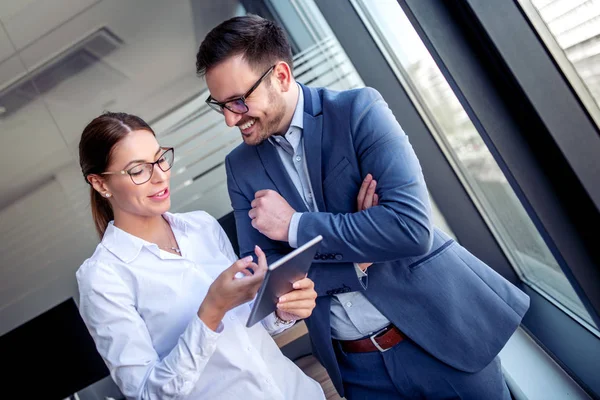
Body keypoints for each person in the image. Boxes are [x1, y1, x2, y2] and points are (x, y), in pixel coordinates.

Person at [195, 15, 531, 400]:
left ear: (282, 76)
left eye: (238, 101)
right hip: (357, 370)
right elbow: (265, 280)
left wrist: (295, 227)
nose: (228, 119)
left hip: (441, 339)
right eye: (219, 105)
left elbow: (409, 228)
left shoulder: (358, 111)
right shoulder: (240, 167)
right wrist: (360, 248)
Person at [76, 112, 325, 400]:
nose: (160, 176)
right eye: (138, 170)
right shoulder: (102, 277)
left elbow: (248, 332)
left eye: (159, 159)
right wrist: (211, 311)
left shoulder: (201, 226)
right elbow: (147, 394)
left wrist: (282, 311)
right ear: (100, 184)